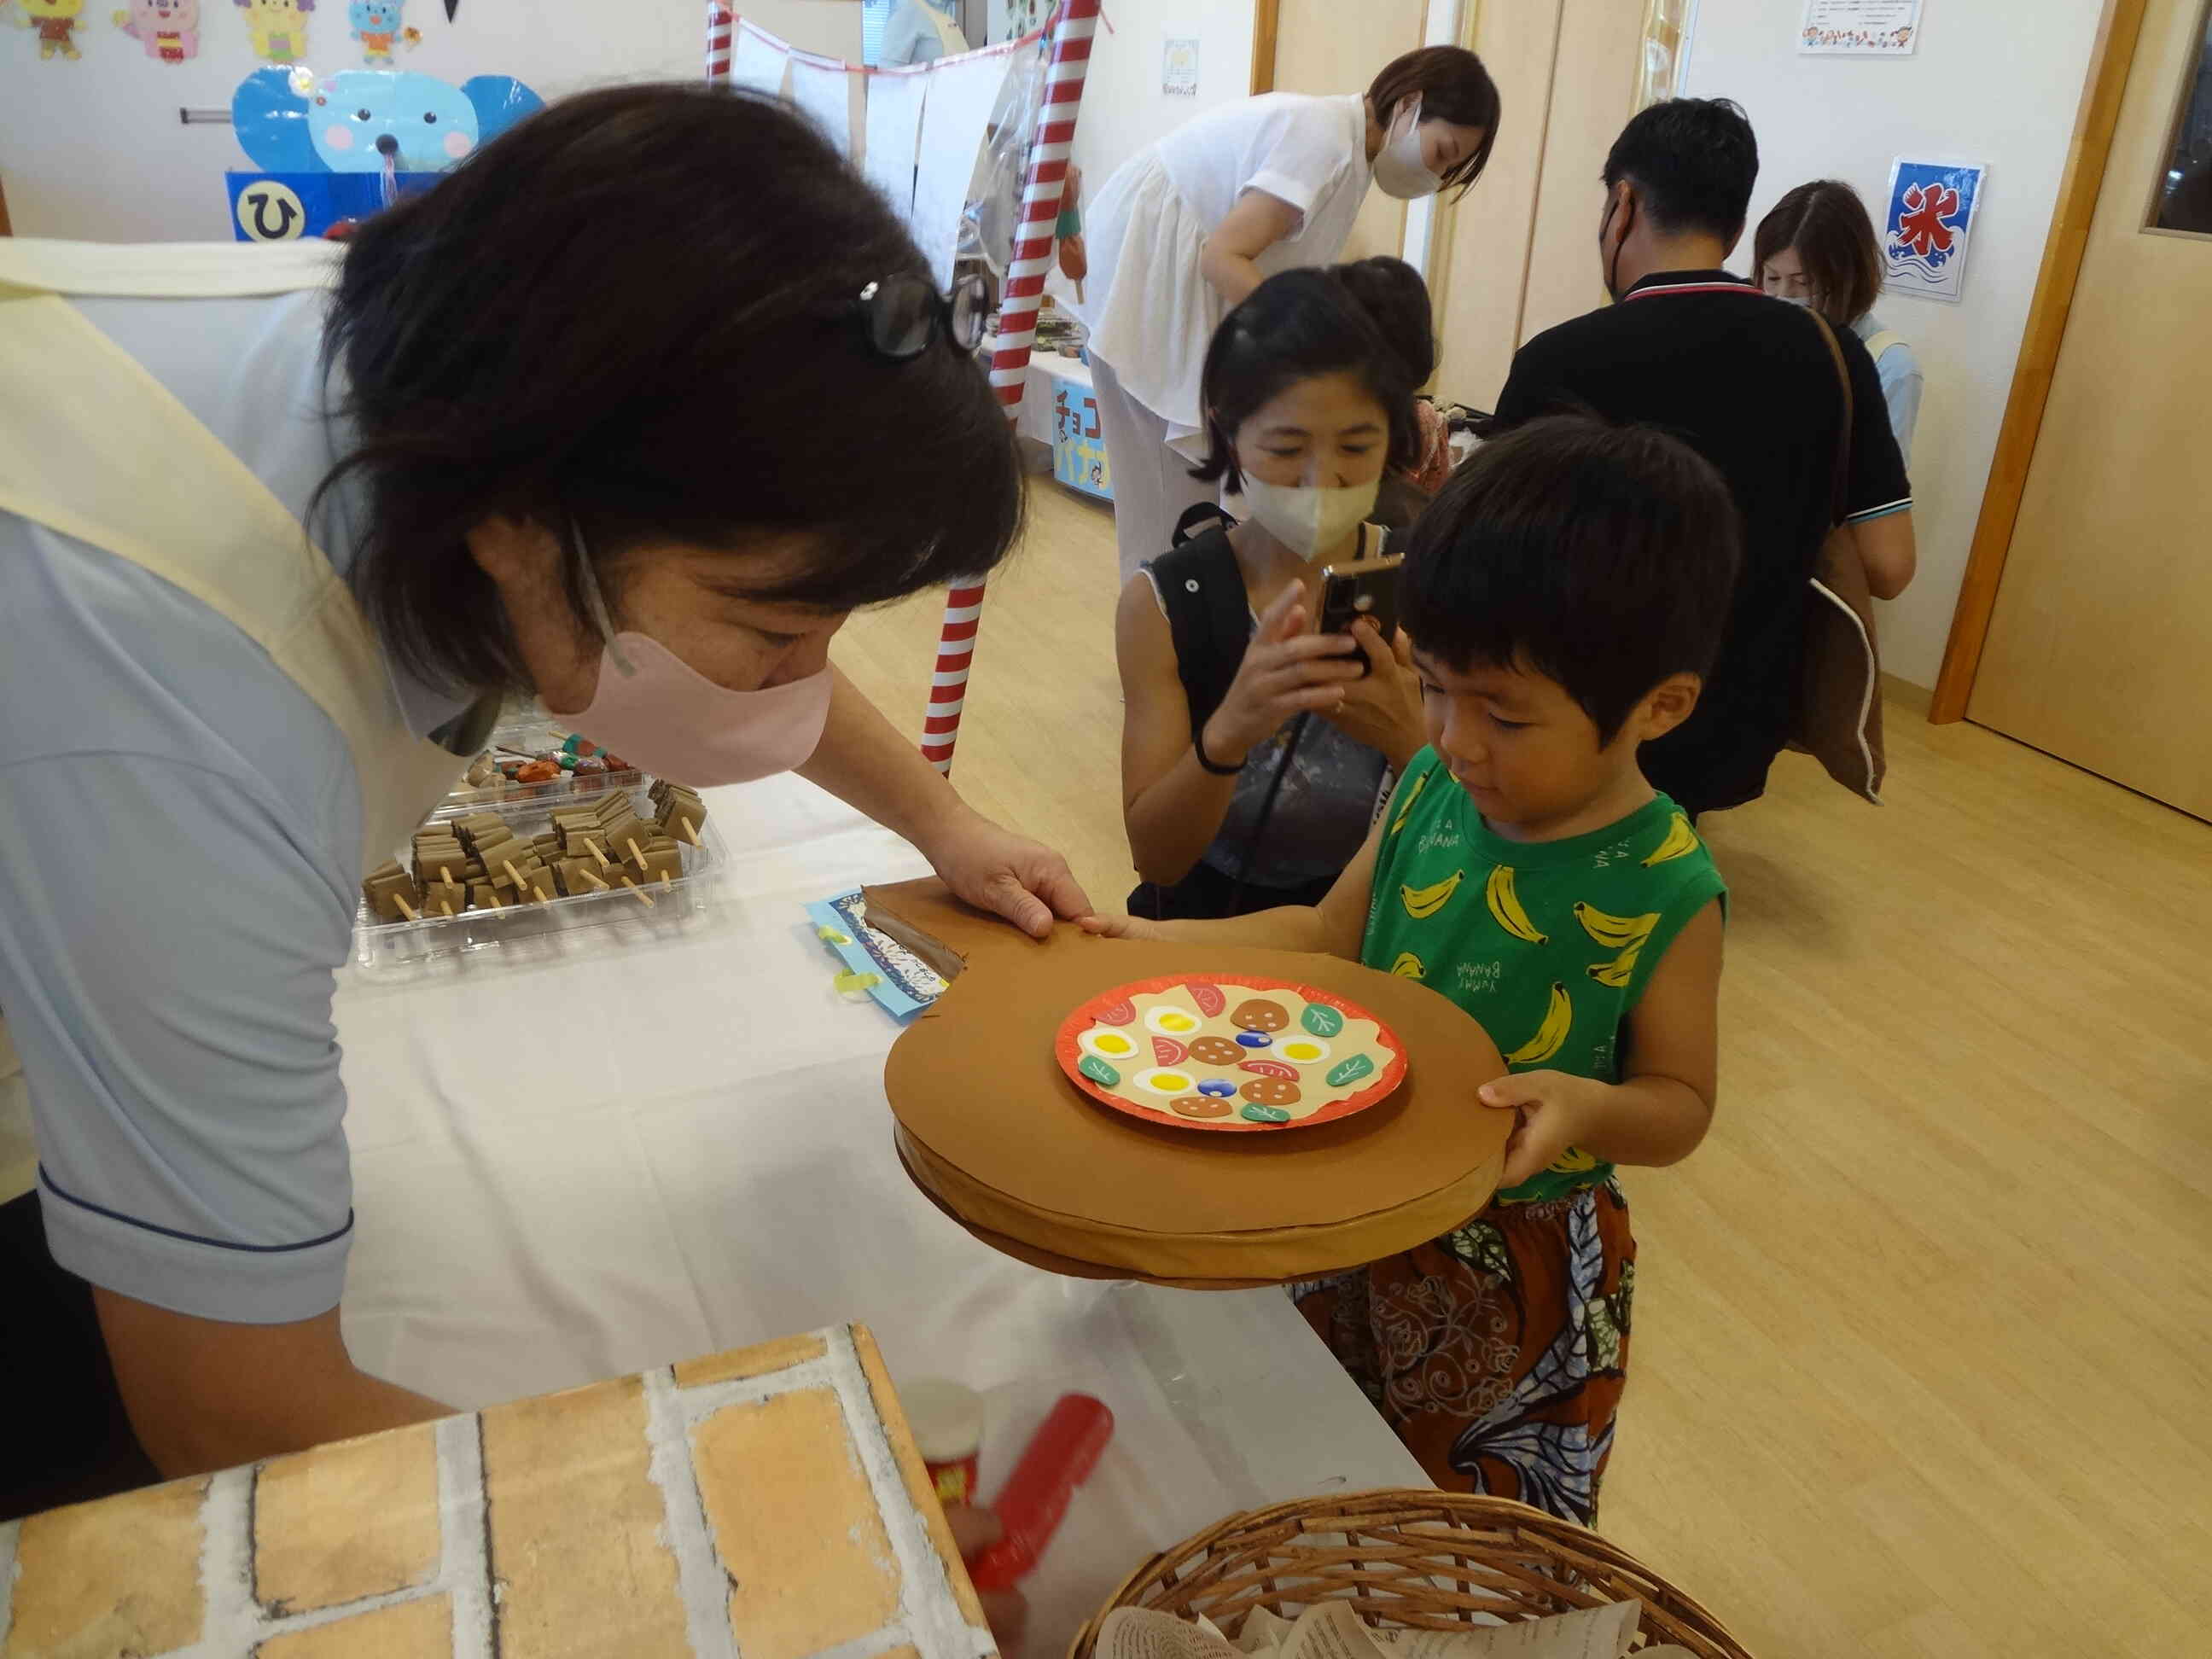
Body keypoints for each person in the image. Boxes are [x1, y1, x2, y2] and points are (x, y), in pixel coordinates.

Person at [0, 86, 1092, 1516]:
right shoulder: (184, 696)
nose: (800, 679)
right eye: (772, 629)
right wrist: (783, 1532)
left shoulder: (444, 369)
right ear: (521, 526)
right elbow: (233, 1402)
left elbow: (745, 617)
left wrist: (941, 821)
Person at [1087, 414, 1739, 1520]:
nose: (1455, 735)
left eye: (1505, 713)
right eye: (1434, 687)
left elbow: (1679, 1106)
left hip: (1517, 1272)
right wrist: (1132, 944)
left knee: (1470, 1518)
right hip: (1360, 1201)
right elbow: (1324, 936)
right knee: (1318, 1453)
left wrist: (1585, 1105)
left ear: (1659, 708)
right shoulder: (1438, 782)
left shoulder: (1663, 885)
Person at [1493, 99, 1916, 818]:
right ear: (1738, 223)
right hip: (1740, 723)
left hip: (1582, 722)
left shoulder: (1558, 359)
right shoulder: (1833, 353)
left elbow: (1492, 564)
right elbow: (1888, 567)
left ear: (1622, 205)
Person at [1074, 46, 1500, 581]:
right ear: (1409, 104)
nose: (1435, 178)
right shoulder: (1323, 138)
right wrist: (1314, 348)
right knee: (1169, 504)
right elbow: (1223, 257)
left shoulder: (1349, 156)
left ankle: (1184, 629)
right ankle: (1165, 637)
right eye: (1442, 153)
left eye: (1451, 171)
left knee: (1189, 497)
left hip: (1173, 285)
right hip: (1152, 281)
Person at [1115, 265, 1433, 921]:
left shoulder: (1423, 577)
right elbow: (1157, 860)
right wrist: (1231, 730)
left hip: (1371, 921)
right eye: (1287, 447)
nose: (1323, 479)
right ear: (1227, 431)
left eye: (1357, 445)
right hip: (1205, 925)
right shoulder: (1167, 603)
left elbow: (1490, 822)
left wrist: (1410, 739)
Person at [1755, 179, 1925, 458]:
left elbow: (1882, 489)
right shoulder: (1756, 335)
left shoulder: (1890, 365)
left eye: (1803, 282)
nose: (1783, 295)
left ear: (1847, 277)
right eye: (1772, 278)